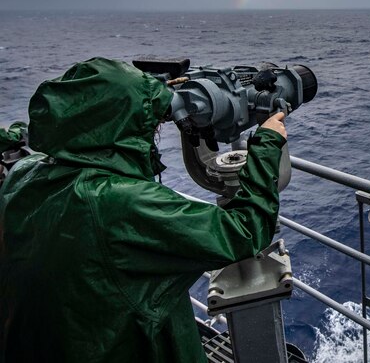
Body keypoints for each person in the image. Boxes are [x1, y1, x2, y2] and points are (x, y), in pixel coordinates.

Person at [0, 58, 286, 362]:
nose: (154, 129)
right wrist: (267, 142)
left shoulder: (23, 175)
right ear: (120, 126)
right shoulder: (116, 203)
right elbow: (243, 231)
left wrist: (150, 96)